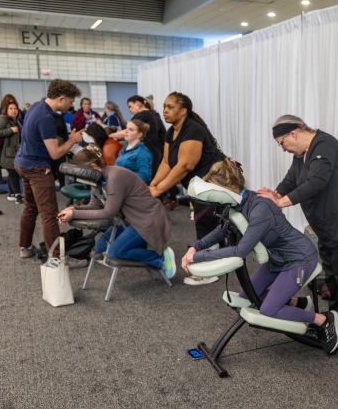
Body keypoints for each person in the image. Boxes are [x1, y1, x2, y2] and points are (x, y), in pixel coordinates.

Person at [181, 158, 338, 354]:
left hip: (299, 259)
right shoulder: (237, 203)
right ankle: (296, 303)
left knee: (268, 310)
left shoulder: (260, 209)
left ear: (230, 187)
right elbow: (221, 231)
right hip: (277, 259)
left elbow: (240, 251)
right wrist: (194, 248)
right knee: (247, 297)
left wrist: (198, 257)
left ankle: (322, 319)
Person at [259, 115, 338, 349]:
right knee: (334, 276)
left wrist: (282, 202)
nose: (282, 149)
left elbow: (317, 182)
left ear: (294, 133)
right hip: (330, 226)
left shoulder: (324, 145)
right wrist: (275, 193)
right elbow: (291, 180)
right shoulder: (301, 155)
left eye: (282, 143)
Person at [57, 146, 175, 280]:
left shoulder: (115, 177)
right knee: (99, 247)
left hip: (147, 220)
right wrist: (72, 209)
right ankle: (145, 252)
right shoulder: (98, 180)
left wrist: (75, 214)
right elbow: (94, 206)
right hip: (130, 220)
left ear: (93, 166)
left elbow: (108, 212)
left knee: (115, 253)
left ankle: (159, 258)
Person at [151, 92, 225, 284]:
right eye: (164, 106)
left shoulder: (193, 129)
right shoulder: (171, 131)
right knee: (206, 223)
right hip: (198, 185)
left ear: (183, 111)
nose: (165, 111)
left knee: (206, 223)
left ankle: (209, 272)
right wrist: (153, 184)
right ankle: (218, 261)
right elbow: (167, 162)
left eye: (170, 107)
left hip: (211, 183)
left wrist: (159, 190)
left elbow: (185, 165)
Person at [14, 79, 84, 265]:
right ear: (61, 99)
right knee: (49, 214)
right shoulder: (46, 118)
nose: (71, 105)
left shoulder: (36, 106)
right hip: (36, 168)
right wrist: (72, 140)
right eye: (70, 101)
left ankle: (25, 247)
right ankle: (59, 259)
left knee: (30, 207)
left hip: (22, 163)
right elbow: (55, 153)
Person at [110, 95, 165, 172]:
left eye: (130, 106)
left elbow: (126, 131)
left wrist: (109, 135)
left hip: (148, 154)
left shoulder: (143, 115)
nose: (129, 109)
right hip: (155, 152)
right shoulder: (151, 115)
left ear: (137, 104)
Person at [0, 101, 22, 202]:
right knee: (13, 172)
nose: (14, 111)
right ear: (6, 110)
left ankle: (12, 193)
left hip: (14, 152)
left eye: (15, 108)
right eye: (11, 109)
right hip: (7, 152)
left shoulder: (16, 120)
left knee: (13, 173)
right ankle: (18, 195)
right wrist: (10, 130)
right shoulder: (3, 119)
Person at [115, 119, 153, 184]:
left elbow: (144, 176)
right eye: (126, 128)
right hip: (118, 187)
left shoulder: (142, 152)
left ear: (139, 135)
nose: (126, 131)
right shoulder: (124, 149)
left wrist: (124, 180)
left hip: (130, 190)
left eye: (130, 129)